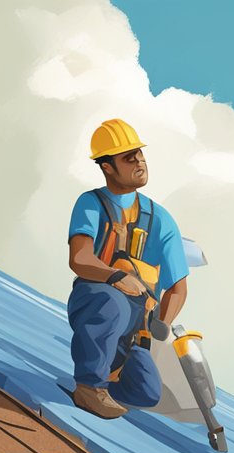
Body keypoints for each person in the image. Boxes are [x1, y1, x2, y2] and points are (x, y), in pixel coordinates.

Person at [66, 119, 190, 419]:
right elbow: (79, 259)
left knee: (146, 392)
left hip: (136, 325)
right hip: (96, 299)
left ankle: (109, 372)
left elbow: (178, 287)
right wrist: (116, 276)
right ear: (107, 167)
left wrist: (162, 323)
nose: (139, 162)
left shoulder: (160, 219)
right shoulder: (91, 204)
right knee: (112, 303)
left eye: (140, 155)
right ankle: (89, 387)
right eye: (128, 157)